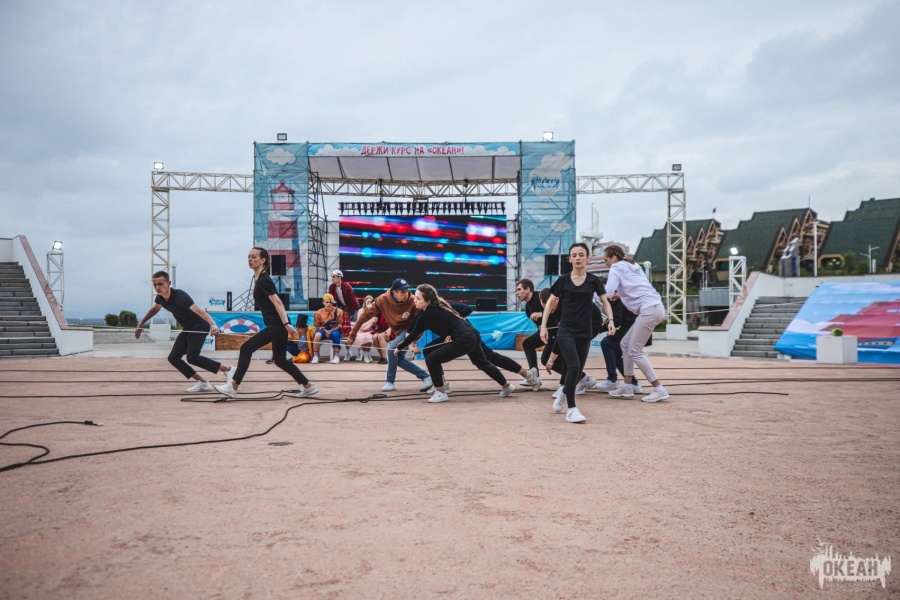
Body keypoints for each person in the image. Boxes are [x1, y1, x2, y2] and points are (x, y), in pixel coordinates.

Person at [214, 247, 318, 399]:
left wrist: (286, 325)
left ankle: (233, 386)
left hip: (278, 324)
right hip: (277, 324)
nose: (250, 259)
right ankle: (308, 386)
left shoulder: (264, 280)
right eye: (249, 256)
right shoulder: (259, 279)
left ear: (263, 260)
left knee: (246, 348)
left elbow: (278, 302)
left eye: (254, 257)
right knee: (280, 360)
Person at [395, 285, 515, 403]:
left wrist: (399, 348)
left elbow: (413, 335)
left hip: (464, 339)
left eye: (418, 298)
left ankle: (441, 392)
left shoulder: (428, 314)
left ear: (428, 301)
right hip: (472, 334)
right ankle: (507, 386)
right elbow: (413, 333)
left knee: (432, 359)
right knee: (481, 362)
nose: (415, 301)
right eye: (415, 297)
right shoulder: (432, 309)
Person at [540, 243, 615, 424]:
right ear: (570, 259)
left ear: (587, 258)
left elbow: (605, 302)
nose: (578, 258)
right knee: (573, 366)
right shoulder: (563, 280)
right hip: (566, 329)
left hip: (585, 331)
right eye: (574, 255)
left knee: (578, 369)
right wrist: (543, 326)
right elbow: (549, 303)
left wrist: (611, 320)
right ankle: (572, 410)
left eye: (581, 254)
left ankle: (564, 392)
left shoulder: (593, 280)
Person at [136, 271, 236, 392]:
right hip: (188, 327)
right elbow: (155, 309)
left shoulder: (180, 296)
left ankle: (228, 370)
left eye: (160, 284)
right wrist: (140, 324)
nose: (157, 287)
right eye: (155, 285)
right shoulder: (160, 298)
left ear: (169, 283)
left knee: (192, 357)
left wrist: (213, 325)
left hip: (199, 325)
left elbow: (199, 310)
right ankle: (202, 383)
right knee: (173, 358)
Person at [420, 302, 538, 394]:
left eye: (418, 299)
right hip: (455, 336)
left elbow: (466, 309)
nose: (416, 302)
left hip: (467, 334)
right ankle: (442, 384)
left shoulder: (442, 305)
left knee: (489, 357)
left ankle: (527, 375)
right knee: (429, 350)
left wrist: (459, 320)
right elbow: (416, 331)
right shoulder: (421, 312)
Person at [601, 244, 670, 402]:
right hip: (654, 307)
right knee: (625, 345)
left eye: (606, 260)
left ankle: (659, 388)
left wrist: (592, 294)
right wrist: (620, 295)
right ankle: (627, 386)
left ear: (613, 258)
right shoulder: (634, 266)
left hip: (649, 310)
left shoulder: (616, 267)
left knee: (634, 351)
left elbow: (608, 292)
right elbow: (638, 287)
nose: (606, 263)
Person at [347, 278, 432, 392]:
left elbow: (418, 323)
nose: (406, 294)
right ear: (394, 292)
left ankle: (390, 381)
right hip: (398, 331)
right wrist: (352, 334)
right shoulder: (382, 300)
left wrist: (411, 343)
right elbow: (364, 315)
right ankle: (426, 377)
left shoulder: (413, 301)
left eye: (407, 291)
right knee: (399, 359)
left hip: (412, 330)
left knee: (392, 350)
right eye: (402, 292)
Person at [594, 291, 646, 393]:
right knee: (616, 352)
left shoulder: (616, 298)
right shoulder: (618, 296)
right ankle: (633, 383)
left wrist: (597, 329)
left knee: (607, 343)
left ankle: (612, 379)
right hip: (633, 326)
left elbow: (617, 320)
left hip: (630, 327)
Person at [515, 278, 545, 390]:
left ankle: (579, 379)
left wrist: (543, 313)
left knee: (549, 359)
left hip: (560, 330)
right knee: (527, 343)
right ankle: (535, 377)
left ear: (527, 290)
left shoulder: (541, 296)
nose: (516, 293)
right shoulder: (528, 309)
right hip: (545, 332)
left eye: (519, 289)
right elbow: (540, 325)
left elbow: (558, 308)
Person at [328, 269, 359, 357]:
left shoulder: (347, 286)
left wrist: (355, 312)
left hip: (352, 307)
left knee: (356, 328)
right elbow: (333, 301)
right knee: (345, 329)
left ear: (339, 277)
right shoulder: (331, 287)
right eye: (332, 277)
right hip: (342, 308)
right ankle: (348, 351)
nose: (332, 278)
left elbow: (353, 300)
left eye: (334, 277)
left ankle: (359, 351)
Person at [312, 293, 344, 364]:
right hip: (324, 330)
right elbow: (317, 325)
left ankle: (336, 356)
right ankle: (315, 356)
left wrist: (331, 330)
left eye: (330, 302)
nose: (329, 304)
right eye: (327, 302)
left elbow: (340, 324)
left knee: (335, 335)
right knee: (317, 335)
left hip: (335, 329)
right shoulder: (318, 313)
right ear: (323, 303)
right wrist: (325, 331)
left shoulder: (339, 311)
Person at [348, 295, 377, 363]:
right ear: (365, 302)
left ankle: (366, 355)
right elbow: (360, 324)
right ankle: (363, 354)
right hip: (360, 330)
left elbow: (375, 325)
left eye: (370, 302)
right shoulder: (360, 311)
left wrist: (373, 323)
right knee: (360, 338)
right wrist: (371, 322)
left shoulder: (375, 311)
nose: (369, 303)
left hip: (369, 330)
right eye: (367, 302)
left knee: (369, 337)